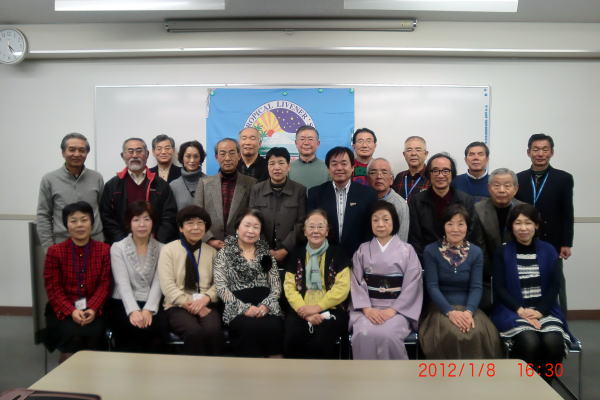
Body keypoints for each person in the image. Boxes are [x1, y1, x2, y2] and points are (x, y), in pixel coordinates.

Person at [492, 203, 572, 381]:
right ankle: (523, 385)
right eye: (518, 223)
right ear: (511, 226)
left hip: (545, 310)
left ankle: (545, 384)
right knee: (529, 341)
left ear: (536, 225)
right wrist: (521, 311)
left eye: (528, 223)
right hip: (512, 311)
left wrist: (540, 311)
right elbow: (499, 288)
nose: (523, 228)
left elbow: (555, 286)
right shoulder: (502, 251)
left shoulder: (549, 250)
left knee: (553, 342)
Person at [419, 204, 502, 359]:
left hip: (469, 308)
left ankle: (475, 374)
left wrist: (469, 312)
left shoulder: (476, 252)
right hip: (441, 307)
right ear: (443, 226)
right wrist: (450, 312)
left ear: (467, 227)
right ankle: (448, 374)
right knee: (453, 333)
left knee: (477, 332)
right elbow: (432, 286)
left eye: (460, 224)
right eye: (450, 224)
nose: (455, 229)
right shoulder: (431, 250)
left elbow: (476, 287)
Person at [349, 201, 423, 360]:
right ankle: (363, 375)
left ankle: (394, 375)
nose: (380, 224)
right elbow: (355, 282)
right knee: (363, 333)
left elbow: (413, 285)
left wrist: (393, 310)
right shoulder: (362, 250)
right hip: (368, 309)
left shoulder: (407, 251)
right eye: (375, 220)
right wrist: (367, 309)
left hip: (398, 310)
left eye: (386, 219)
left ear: (394, 221)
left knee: (388, 335)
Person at [43, 201, 111, 363]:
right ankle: (68, 376)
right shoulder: (55, 252)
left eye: (84, 220)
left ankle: (94, 375)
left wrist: (92, 308)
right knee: (71, 337)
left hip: (95, 309)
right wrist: (71, 311)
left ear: (92, 223)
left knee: (94, 336)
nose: (79, 225)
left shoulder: (104, 250)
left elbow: (105, 284)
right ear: (66, 225)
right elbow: (53, 289)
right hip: (63, 309)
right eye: (73, 221)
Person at [515, 133, 573, 315]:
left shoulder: (563, 178)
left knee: (556, 282)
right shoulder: (518, 179)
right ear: (528, 152)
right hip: (523, 238)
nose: (540, 154)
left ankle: (562, 320)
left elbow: (567, 213)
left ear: (552, 152)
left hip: (552, 241)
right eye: (536, 149)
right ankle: (529, 317)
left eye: (545, 149)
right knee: (526, 281)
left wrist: (566, 242)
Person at [213, 209, 283, 357]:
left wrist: (266, 305)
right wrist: (244, 308)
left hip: (266, 306)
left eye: (256, 227)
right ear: (237, 228)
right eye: (247, 225)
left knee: (274, 325)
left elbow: (276, 285)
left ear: (260, 231)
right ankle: (248, 368)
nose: (251, 231)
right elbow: (221, 287)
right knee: (249, 327)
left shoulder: (266, 254)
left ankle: (275, 367)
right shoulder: (224, 254)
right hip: (236, 306)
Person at [283, 209, 350, 359]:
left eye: (320, 226)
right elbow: (289, 287)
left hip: (331, 309)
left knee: (321, 341)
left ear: (327, 231)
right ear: (305, 231)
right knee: (293, 336)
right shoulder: (296, 254)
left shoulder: (338, 253)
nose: (316, 231)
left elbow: (342, 288)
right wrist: (304, 311)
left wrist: (317, 308)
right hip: (300, 310)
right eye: (311, 226)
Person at [158, 205, 224, 355]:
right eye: (190, 223)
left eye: (200, 223)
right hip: (177, 305)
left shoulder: (212, 252)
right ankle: (193, 369)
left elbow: (219, 283)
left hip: (206, 302)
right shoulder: (168, 250)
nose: (196, 227)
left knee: (213, 331)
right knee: (194, 332)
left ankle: (215, 368)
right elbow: (167, 286)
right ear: (181, 228)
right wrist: (194, 306)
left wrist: (207, 298)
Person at [107, 201, 164, 352]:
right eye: (136, 219)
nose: (142, 224)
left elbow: (158, 283)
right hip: (123, 302)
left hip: (152, 302)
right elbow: (122, 284)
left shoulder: (162, 248)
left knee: (156, 333)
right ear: (129, 223)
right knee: (129, 334)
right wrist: (133, 311)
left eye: (147, 219)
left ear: (153, 222)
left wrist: (148, 310)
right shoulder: (117, 248)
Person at [100, 137, 178, 245]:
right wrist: (124, 243)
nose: (135, 155)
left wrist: (155, 243)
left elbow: (169, 217)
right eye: (130, 151)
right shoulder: (112, 186)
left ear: (147, 154)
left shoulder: (161, 185)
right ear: (123, 156)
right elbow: (106, 218)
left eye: (139, 151)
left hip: (156, 246)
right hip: (122, 247)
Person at [36, 133, 104, 252]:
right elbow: (43, 215)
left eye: (81, 150)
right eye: (72, 150)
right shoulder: (49, 179)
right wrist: (49, 247)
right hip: (63, 244)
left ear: (87, 153)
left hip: (95, 244)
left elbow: (103, 210)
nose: (77, 154)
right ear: (63, 152)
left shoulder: (96, 178)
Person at [307, 147, 378, 257]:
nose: (339, 168)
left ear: (352, 167)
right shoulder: (315, 193)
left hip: (358, 256)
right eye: (334, 164)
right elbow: (310, 228)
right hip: (324, 256)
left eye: (344, 163)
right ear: (328, 169)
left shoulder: (368, 194)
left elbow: (371, 230)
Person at [471, 168, 524, 312]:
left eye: (507, 186)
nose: (501, 190)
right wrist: (496, 274)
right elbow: (478, 248)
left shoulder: (525, 210)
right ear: (489, 188)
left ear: (515, 189)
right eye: (496, 185)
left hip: (517, 272)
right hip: (487, 275)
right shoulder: (477, 209)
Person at [408, 153, 475, 261]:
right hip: (427, 260)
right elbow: (415, 238)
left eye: (445, 170)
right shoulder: (417, 201)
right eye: (435, 170)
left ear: (452, 173)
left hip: (459, 260)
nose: (440, 175)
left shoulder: (466, 201)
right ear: (429, 174)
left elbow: (470, 236)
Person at [194, 138, 256, 250]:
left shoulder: (251, 183)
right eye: (222, 154)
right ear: (216, 157)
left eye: (232, 153)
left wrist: (242, 240)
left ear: (239, 155)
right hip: (209, 247)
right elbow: (197, 216)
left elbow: (253, 217)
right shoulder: (204, 183)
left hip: (241, 247)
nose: (227, 158)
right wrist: (209, 239)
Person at [249, 147, 306, 264]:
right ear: (267, 167)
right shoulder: (256, 189)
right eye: (272, 163)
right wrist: (265, 249)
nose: (276, 167)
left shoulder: (299, 190)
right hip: (261, 252)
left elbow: (301, 223)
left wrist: (285, 249)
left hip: (291, 252)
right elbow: (252, 221)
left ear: (288, 166)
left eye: (281, 163)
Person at [367, 157, 409, 242]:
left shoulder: (400, 205)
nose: (379, 176)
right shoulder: (362, 200)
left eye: (384, 172)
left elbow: (401, 240)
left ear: (391, 180)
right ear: (367, 179)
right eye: (373, 172)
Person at [288, 125, 330, 189]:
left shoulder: (328, 168)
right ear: (296, 143)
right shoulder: (287, 168)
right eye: (302, 139)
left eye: (310, 139)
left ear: (318, 143)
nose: (306, 143)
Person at [170, 140, 206, 210]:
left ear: (200, 158)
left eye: (196, 156)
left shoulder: (210, 183)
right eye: (188, 156)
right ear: (182, 158)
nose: (192, 160)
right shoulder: (173, 186)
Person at [392, 136, 430, 201]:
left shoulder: (432, 177)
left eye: (418, 150)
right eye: (409, 150)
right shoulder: (399, 177)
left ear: (426, 154)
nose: (413, 153)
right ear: (404, 154)